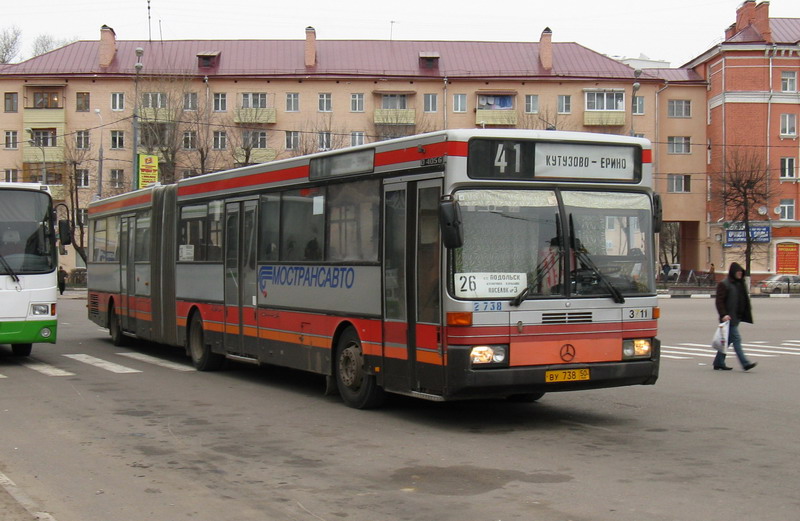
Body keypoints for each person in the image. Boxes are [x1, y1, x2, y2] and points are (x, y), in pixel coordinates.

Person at [713, 262, 757, 371]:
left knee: (727, 341)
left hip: (736, 317)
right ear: (733, 272)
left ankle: (718, 362)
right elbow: (719, 301)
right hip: (728, 318)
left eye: (741, 273)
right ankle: (745, 363)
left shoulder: (739, 284)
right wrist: (723, 315)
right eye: (738, 272)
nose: (740, 274)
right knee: (737, 339)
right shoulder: (725, 284)